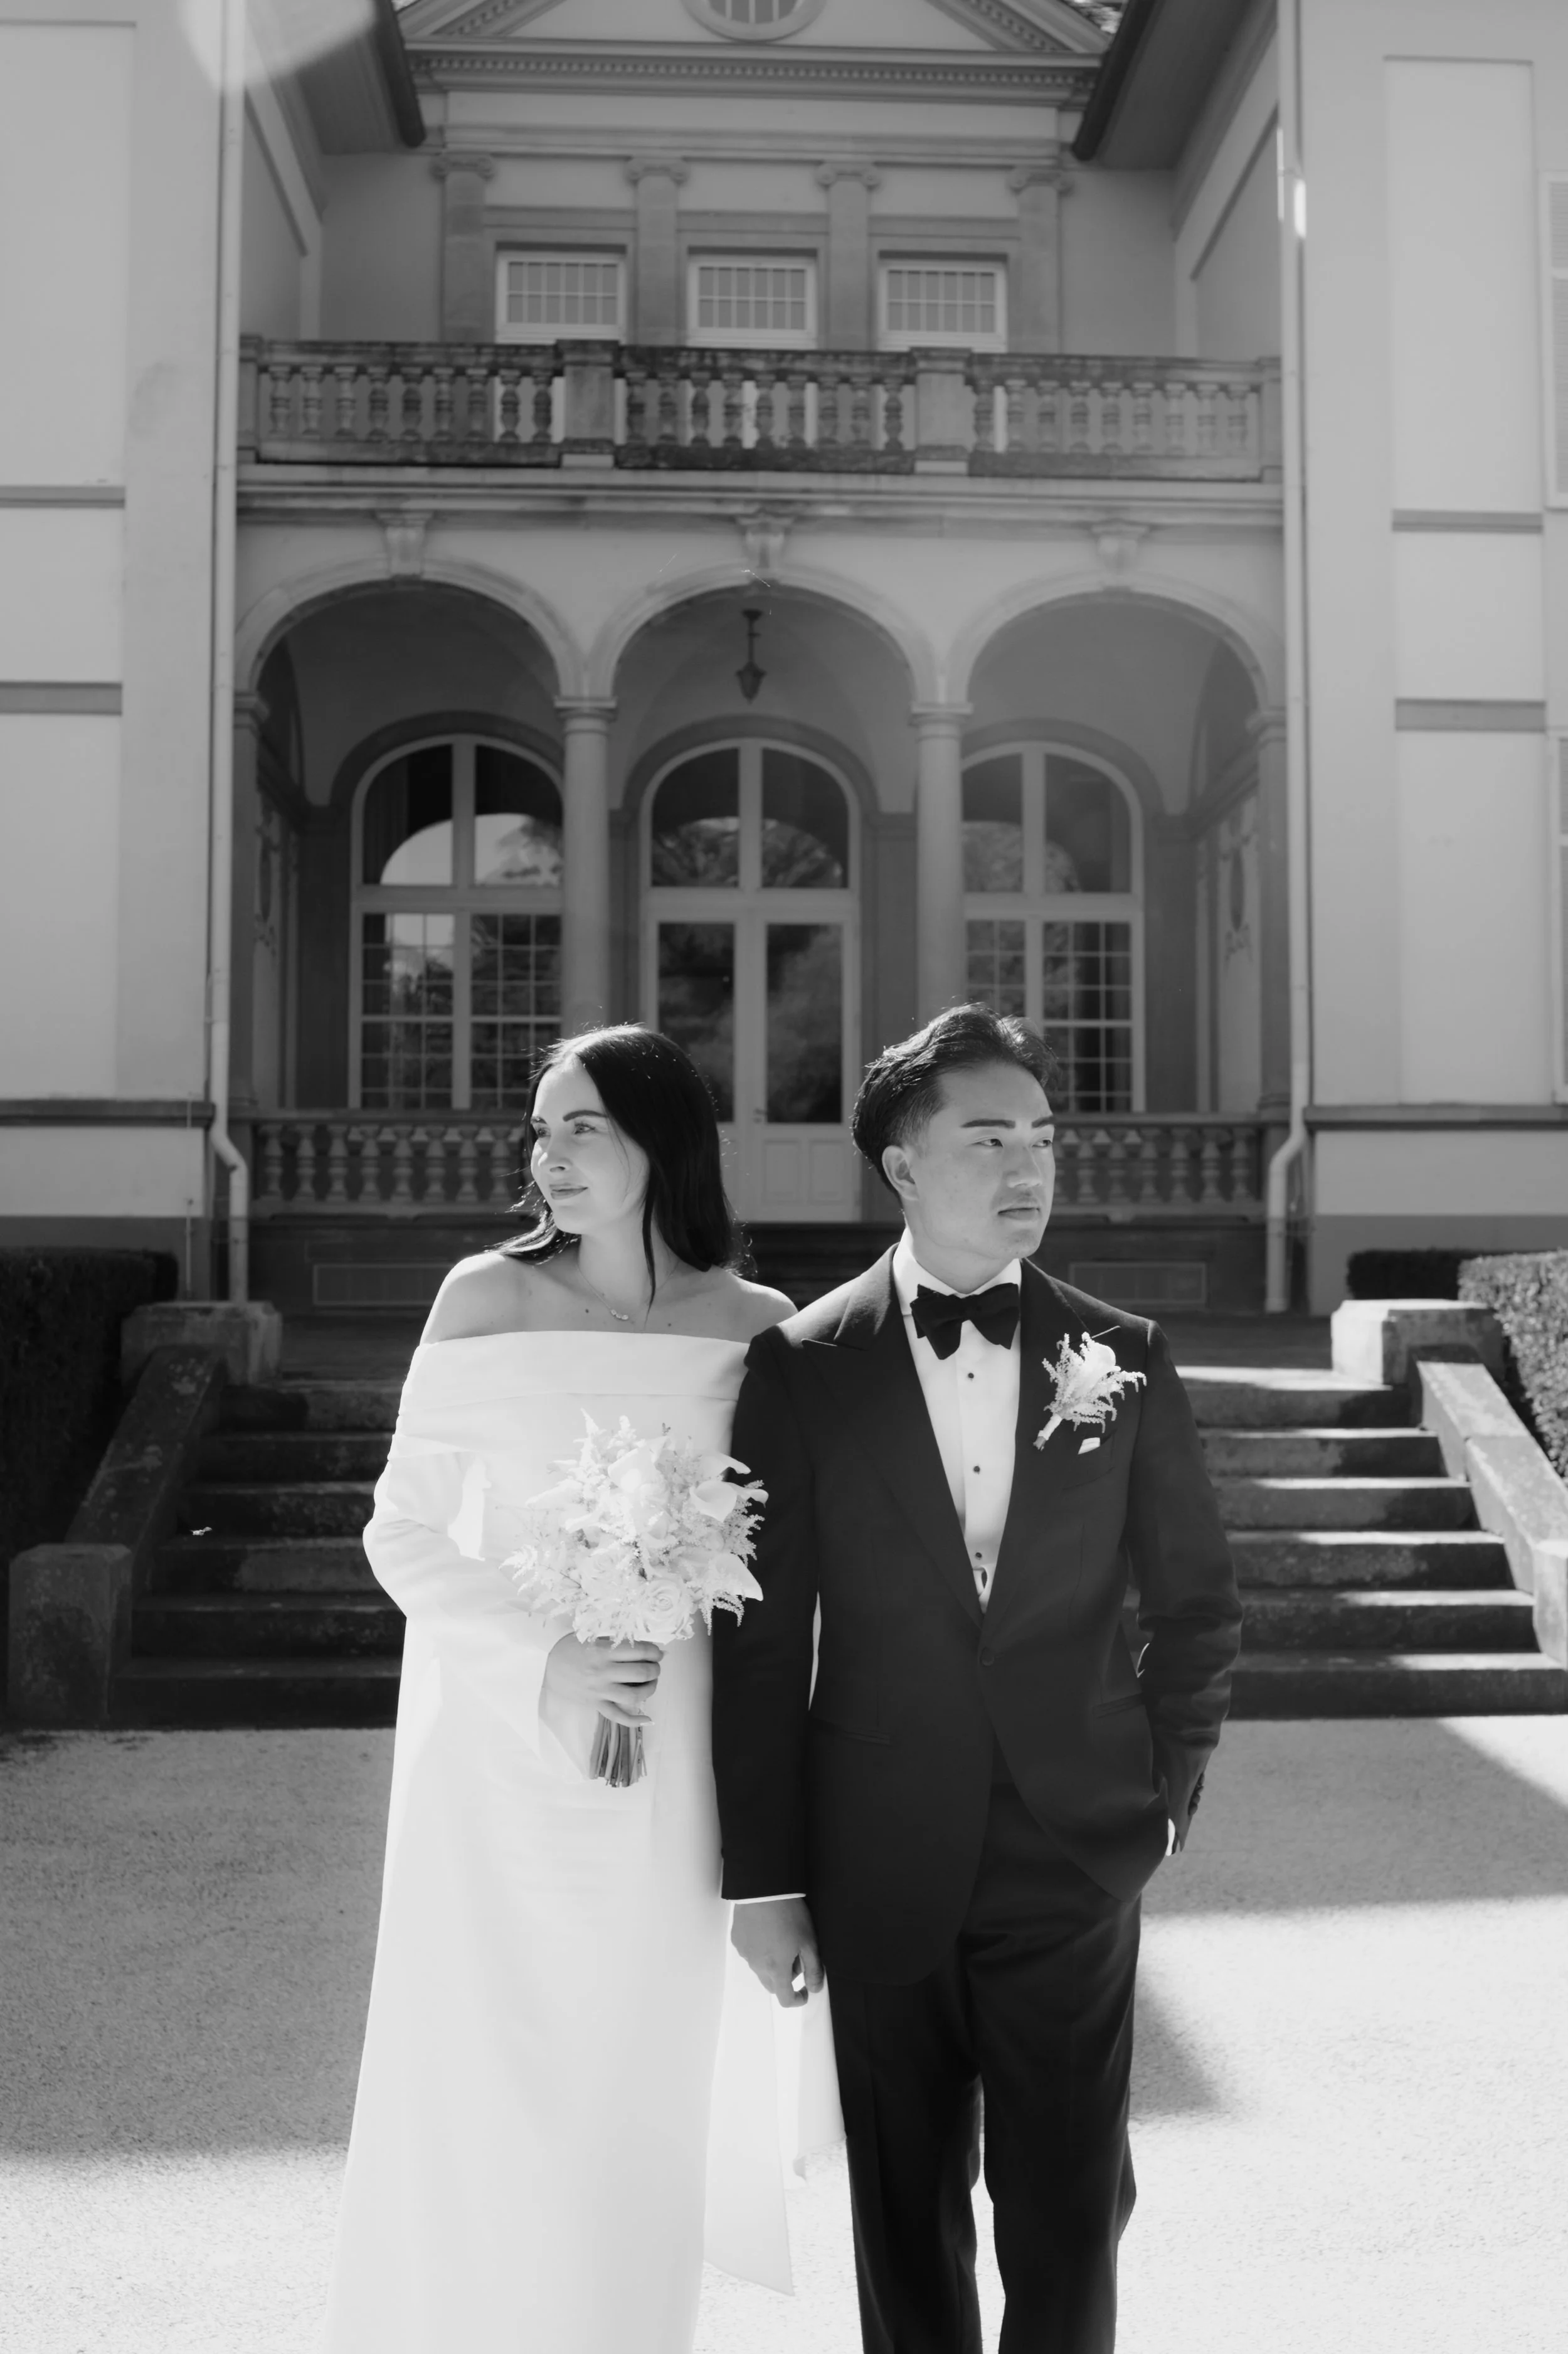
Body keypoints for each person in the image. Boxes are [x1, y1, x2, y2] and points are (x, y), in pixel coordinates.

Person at [712, 1004, 1242, 2354]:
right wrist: (764, 1878)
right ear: (899, 1164)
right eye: (988, 1139)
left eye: (1042, 1140)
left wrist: (1163, 1793)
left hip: (1072, 1844)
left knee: (1069, 2215)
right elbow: (762, 1639)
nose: (1027, 1169)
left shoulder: (1120, 1355)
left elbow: (1193, 1602)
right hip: (875, 1849)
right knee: (902, 2218)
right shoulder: (799, 1364)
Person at [323, 1024, 799, 2354]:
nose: (551, 1156)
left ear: (664, 1141)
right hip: (498, 1759)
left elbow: (782, 1553)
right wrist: (549, 1651)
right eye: (542, 1131)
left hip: (672, 1770)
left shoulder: (752, 1328)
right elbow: (400, 1528)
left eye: (582, 1126)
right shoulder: (482, 1295)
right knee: (481, 2063)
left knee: (641, 2072)